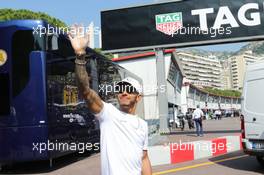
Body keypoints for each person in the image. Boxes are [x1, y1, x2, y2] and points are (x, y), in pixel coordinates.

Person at [68, 25, 152, 175]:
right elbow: (85, 91)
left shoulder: (143, 125)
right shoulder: (108, 113)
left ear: (138, 97)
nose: (124, 92)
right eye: (120, 89)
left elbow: (144, 158)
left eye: (129, 89)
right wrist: (80, 55)